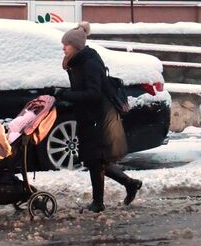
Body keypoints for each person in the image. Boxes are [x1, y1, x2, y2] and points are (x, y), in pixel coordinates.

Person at [59, 22, 142, 213]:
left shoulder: (89, 63)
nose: (63, 48)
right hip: (90, 115)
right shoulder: (78, 62)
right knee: (96, 160)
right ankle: (130, 184)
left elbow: (94, 93)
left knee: (95, 160)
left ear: (76, 46)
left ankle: (98, 203)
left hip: (100, 117)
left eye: (67, 44)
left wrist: (67, 96)